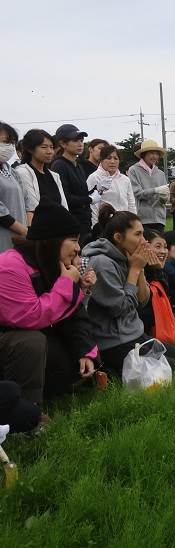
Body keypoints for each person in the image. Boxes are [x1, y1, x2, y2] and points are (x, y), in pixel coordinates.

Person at [0, 201, 98, 404]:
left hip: (25, 339)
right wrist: (66, 285)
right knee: (33, 343)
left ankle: (49, 391)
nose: (78, 248)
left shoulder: (53, 263)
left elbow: (75, 315)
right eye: (73, 240)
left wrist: (86, 352)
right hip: (13, 341)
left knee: (72, 363)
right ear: (52, 241)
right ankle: (26, 406)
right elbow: (30, 316)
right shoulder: (10, 266)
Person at [83, 211, 175, 375]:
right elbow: (120, 309)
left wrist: (139, 270)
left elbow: (142, 302)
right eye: (138, 234)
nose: (144, 241)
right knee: (174, 370)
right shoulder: (102, 263)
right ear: (118, 237)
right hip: (114, 343)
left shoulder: (129, 256)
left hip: (135, 335)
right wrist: (135, 269)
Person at [15, 129, 68, 223]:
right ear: (30, 149)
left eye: (51, 147)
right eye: (44, 147)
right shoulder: (23, 172)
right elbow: (32, 207)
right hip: (39, 228)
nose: (50, 151)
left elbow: (64, 206)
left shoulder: (54, 175)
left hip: (59, 227)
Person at [51, 124, 94, 235]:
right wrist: (89, 199)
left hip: (85, 221)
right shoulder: (59, 165)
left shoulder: (78, 165)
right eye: (75, 140)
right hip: (71, 223)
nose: (80, 144)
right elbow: (64, 197)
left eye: (81, 140)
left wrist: (96, 191)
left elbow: (81, 192)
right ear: (63, 144)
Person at [86, 145, 136, 225]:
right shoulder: (94, 177)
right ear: (101, 160)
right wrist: (95, 228)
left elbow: (131, 204)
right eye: (108, 158)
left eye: (115, 158)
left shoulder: (125, 179)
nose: (112, 161)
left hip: (124, 224)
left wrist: (133, 223)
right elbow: (93, 207)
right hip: (105, 224)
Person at [127, 139, 170, 232]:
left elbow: (164, 199)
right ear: (143, 154)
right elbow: (137, 193)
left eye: (156, 153)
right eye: (151, 153)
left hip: (159, 218)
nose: (154, 156)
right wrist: (155, 190)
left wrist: (164, 197)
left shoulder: (161, 173)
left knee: (159, 245)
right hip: (142, 219)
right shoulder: (133, 170)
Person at [0, 122, 29, 252]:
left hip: (18, 239)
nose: (9, 147)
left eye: (12, 143)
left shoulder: (12, 172)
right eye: (5, 142)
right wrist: (25, 231)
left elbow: (25, 201)